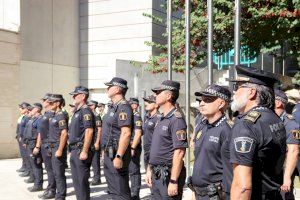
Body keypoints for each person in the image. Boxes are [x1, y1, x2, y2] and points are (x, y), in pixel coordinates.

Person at [228, 65, 286, 200]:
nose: (234, 93)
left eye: (238, 87)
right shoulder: (273, 118)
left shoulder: (246, 125)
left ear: (252, 92)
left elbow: (242, 187)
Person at [145, 80, 188, 200]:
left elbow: (179, 152)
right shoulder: (162, 118)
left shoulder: (176, 120)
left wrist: (174, 181)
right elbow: (156, 147)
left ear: (169, 96)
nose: (155, 95)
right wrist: (149, 169)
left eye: (158, 92)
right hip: (156, 172)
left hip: (168, 174)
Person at [189, 84, 231, 200]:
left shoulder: (227, 130)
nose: (201, 103)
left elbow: (231, 170)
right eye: (201, 100)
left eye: (207, 100)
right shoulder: (203, 126)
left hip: (215, 195)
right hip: (199, 192)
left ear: (221, 103)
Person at [102, 77, 133, 200]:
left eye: (110, 86)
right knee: (113, 189)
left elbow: (126, 133)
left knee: (120, 189)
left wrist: (119, 156)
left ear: (118, 89)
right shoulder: (113, 107)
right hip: (109, 152)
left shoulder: (123, 107)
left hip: (116, 153)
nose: (107, 89)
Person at [68, 86, 95, 200]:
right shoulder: (77, 111)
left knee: (81, 180)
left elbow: (89, 130)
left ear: (83, 96)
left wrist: (84, 151)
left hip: (81, 150)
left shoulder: (85, 110)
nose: (73, 97)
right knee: (76, 180)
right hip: (75, 150)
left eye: (75, 95)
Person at [274, 89, 300, 200]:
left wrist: (287, 177)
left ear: (278, 103)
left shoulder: (290, 124)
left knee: (284, 195)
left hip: (283, 170)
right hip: (272, 170)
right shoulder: (269, 120)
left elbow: (294, 150)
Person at [48, 94, 69, 200]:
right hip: (52, 146)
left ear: (57, 103)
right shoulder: (54, 115)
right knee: (54, 172)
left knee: (59, 173)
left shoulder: (61, 115)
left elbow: (64, 133)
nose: (49, 104)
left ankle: (61, 195)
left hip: (57, 146)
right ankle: (58, 193)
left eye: (51, 102)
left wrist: (60, 149)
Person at [38, 93, 56, 199]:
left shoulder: (52, 114)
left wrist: (49, 146)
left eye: (44, 100)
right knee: (48, 169)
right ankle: (49, 188)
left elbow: (53, 132)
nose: (43, 102)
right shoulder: (46, 113)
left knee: (51, 169)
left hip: (49, 145)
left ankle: (52, 190)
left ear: (49, 101)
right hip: (44, 144)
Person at [23, 103, 44, 192]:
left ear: (37, 110)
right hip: (30, 144)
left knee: (36, 165)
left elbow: (40, 134)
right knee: (33, 164)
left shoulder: (39, 119)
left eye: (32, 109)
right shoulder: (33, 119)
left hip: (34, 145)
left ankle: (38, 185)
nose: (30, 110)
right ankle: (36, 183)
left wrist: (37, 146)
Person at [129, 97, 143, 200]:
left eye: (131, 104)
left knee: (134, 170)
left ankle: (135, 193)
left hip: (134, 146)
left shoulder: (136, 116)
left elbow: (138, 134)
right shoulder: (130, 116)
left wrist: (133, 147)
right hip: (127, 146)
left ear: (135, 105)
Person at [87, 100, 103, 185]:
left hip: (94, 141)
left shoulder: (96, 116)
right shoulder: (89, 115)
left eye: (90, 105)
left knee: (95, 161)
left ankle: (97, 178)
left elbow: (100, 130)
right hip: (89, 141)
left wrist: (97, 142)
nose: (88, 107)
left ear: (93, 106)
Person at [16, 102, 31, 176]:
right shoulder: (22, 117)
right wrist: (18, 135)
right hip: (20, 138)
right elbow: (19, 128)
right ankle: (24, 166)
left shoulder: (28, 117)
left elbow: (26, 130)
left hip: (24, 139)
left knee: (26, 155)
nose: (20, 109)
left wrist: (23, 138)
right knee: (23, 154)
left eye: (22, 108)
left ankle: (28, 170)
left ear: (26, 109)